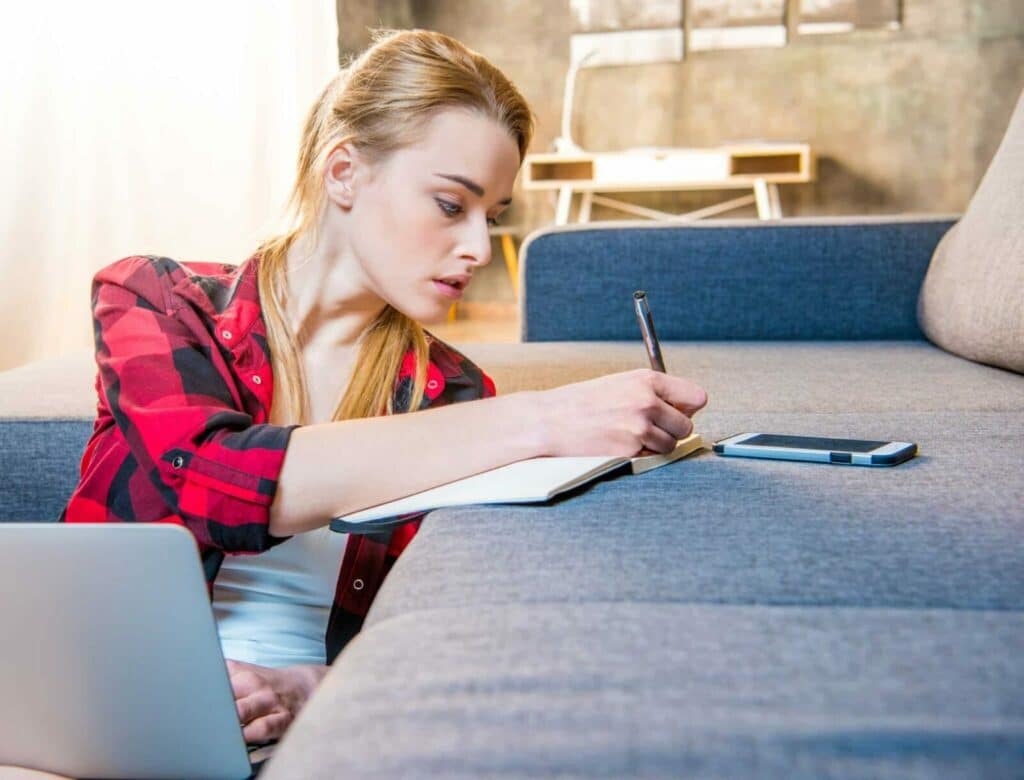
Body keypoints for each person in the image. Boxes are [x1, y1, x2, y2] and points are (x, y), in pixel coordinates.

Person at [61, 29, 707, 746]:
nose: (479, 250)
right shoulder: (157, 298)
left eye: (491, 216)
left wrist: (311, 688)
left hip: (317, 742)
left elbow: (464, 626)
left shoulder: (454, 392)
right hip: (100, 712)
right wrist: (544, 419)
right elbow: (214, 483)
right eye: (449, 204)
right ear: (344, 172)